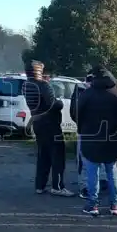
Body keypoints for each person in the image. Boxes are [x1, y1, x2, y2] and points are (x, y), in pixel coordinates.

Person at [73, 66, 117, 216]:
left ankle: (92, 205)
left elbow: (77, 114)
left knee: (92, 172)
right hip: (112, 139)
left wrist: (83, 128)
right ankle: (115, 205)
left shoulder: (87, 94)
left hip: (91, 137)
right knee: (112, 171)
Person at [24, 60, 73, 196]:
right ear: (38, 71)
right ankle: (57, 186)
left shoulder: (26, 85)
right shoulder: (43, 86)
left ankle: (40, 185)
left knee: (43, 155)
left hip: (37, 123)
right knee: (57, 155)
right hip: (50, 124)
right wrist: (60, 102)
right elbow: (53, 105)